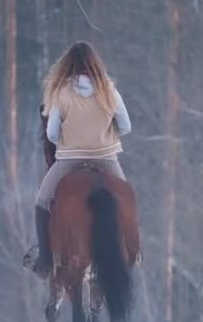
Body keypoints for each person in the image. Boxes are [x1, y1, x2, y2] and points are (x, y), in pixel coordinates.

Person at [32, 41, 132, 278]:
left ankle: (45, 258)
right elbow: (126, 127)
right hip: (106, 158)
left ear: (68, 66)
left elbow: (52, 134)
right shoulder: (109, 90)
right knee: (125, 200)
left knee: (42, 200)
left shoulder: (60, 93)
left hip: (70, 159)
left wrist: (71, 137)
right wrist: (105, 133)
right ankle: (130, 251)